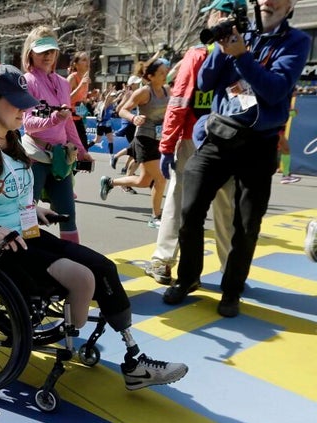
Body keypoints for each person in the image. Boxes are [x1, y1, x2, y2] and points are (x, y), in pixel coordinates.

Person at [0, 64, 189, 390]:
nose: (23, 110)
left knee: (104, 268)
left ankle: (134, 360)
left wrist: (35, 210)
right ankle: (73, 335)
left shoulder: (11, 139)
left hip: (24, 235)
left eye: (25, 102)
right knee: (82, 279)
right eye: (16, 103)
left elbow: (11, 192)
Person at [163, 0, 309, 317]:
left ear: (290, 5)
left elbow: (275, 90)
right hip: (218, 137)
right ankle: (188, 278)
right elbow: (205, 82)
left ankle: (231, 290)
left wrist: (242, 56)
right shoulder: (238, 32)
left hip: (259, 144)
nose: (269, 1)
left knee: (246, 224)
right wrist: (222, 46)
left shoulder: (297, 41)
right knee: (190, 211)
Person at [145, 0, 239, 285]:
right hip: (231, 140)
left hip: (192, 140)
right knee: (227, 208)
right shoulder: (245, 53)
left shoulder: (198, 54)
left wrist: (166, 146)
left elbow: (179, 102)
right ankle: (231, 270)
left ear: (217, 16)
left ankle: (163, 261)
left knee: (178, 201)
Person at [21, 26, 93, 244]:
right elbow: (28, 123)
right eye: (42, 51)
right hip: (34, 156)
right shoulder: (26, 81)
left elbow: (68, 122)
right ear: (30, 53)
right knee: (28, 217)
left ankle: (74, 258)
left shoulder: (62, 83)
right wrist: (54, 118)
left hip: (61, 159)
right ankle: (26, 257)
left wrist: (82, 151)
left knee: (68, 215)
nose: (48, 55)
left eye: (51, 50)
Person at [101, 56, 171, 229]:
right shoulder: (144, 92)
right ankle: (155, 217)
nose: (165, 75)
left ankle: (110, 182)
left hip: (159, 139)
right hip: (144, 139)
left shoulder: (167, 90)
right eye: (161, 73)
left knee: (144, 182)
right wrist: (134, 118)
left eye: (166, 72)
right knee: (160, 179)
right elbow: (121, 110)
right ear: (150, 76)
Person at [66, 51, 91, 151]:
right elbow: (65, 99)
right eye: (84, 60)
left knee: (84, 149)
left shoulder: (85, 78)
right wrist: (80, 85)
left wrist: (90, 96)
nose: (87, 62)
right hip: (69, 119)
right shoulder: (72, 78)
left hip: (79, 118)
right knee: (71, 151)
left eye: (88, 60)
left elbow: (80, 100)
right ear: (76, 64)